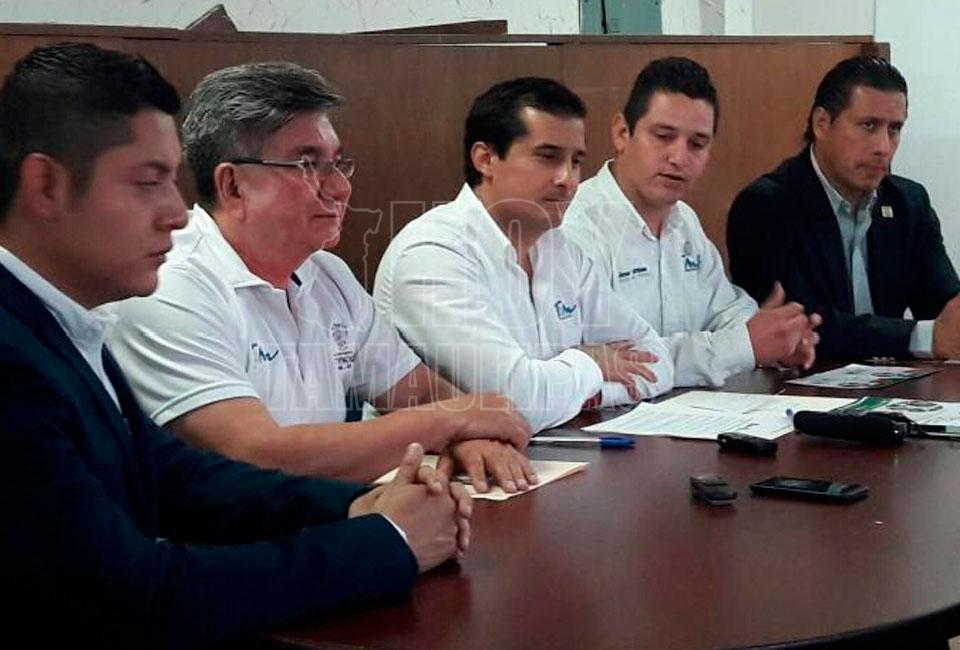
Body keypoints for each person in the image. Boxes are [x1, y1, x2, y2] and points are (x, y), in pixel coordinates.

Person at [0, 42, 471, 647]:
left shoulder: (62, 324)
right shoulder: (12, 358)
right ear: (46, 185)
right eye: (148, 183)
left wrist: (359, 505)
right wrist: (390, 540)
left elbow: (174, 478)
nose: (177, 213)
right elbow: (130, 596)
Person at [108, 61, 534, 493]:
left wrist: (467, 434)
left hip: (322, 515)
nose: (340, 188)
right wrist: (450, 422)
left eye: (338, 164)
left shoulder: (327, 273)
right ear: (233, 186)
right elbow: (255, 455)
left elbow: (419, 393)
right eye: (308, 165)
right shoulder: (170, 282)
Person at [373, 77, 674, 433]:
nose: (568, 179)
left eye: (576, 161)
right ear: (485, 159)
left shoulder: (560, 249)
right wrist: (590, 362)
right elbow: (518, 403)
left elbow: (658, 362)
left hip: (552, 451)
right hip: (445, 463)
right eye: (548, 157)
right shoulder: (433, 255)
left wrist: (587, 392)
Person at [563, 56, 819, 388]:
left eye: (697, 144)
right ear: (622, 133)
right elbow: (622, 360)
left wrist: (776, 336)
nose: (679, 158)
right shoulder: (576, 228)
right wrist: (743, 345)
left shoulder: (684, 220)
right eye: (663, 136)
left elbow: (724, 309)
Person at [727, 55, 960, 359]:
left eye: (894, 129)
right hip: (800, 383)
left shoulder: (908, 201)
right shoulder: (766, 206)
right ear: (821, 123)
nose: (883, 147)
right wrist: (923, 337)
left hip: (897, 382)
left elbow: (944, 308)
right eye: (868, 126)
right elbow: (804, 325)